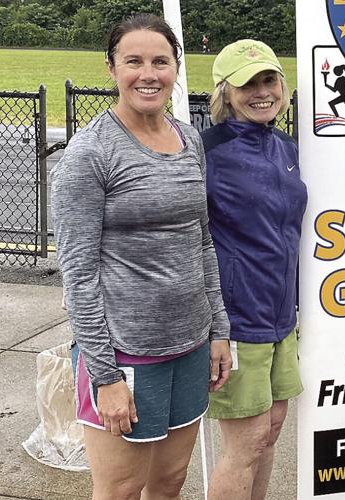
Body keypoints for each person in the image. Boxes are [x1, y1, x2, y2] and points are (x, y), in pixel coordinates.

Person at [51, 13, 232, 499]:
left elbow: (202, 241)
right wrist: (105, 377)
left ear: (175, 68)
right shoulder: (91, 154)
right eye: (133, 61)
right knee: (121, 491)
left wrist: (218, 330)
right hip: (127, 356)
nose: (148, 74)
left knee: (169, 483)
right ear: (111, 69)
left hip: (190, 348)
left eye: (160, 61)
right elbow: (79, 275)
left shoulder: (187, 137)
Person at [201, 39, 307, 500]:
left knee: (271, 432)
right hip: (238, 318)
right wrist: (213, 325)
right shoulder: (206, 150)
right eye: (248, 84)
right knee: (244, 444)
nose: (261, 92)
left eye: (269, 80)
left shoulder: (287, 145)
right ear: (226, 93)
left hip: (283, 316)